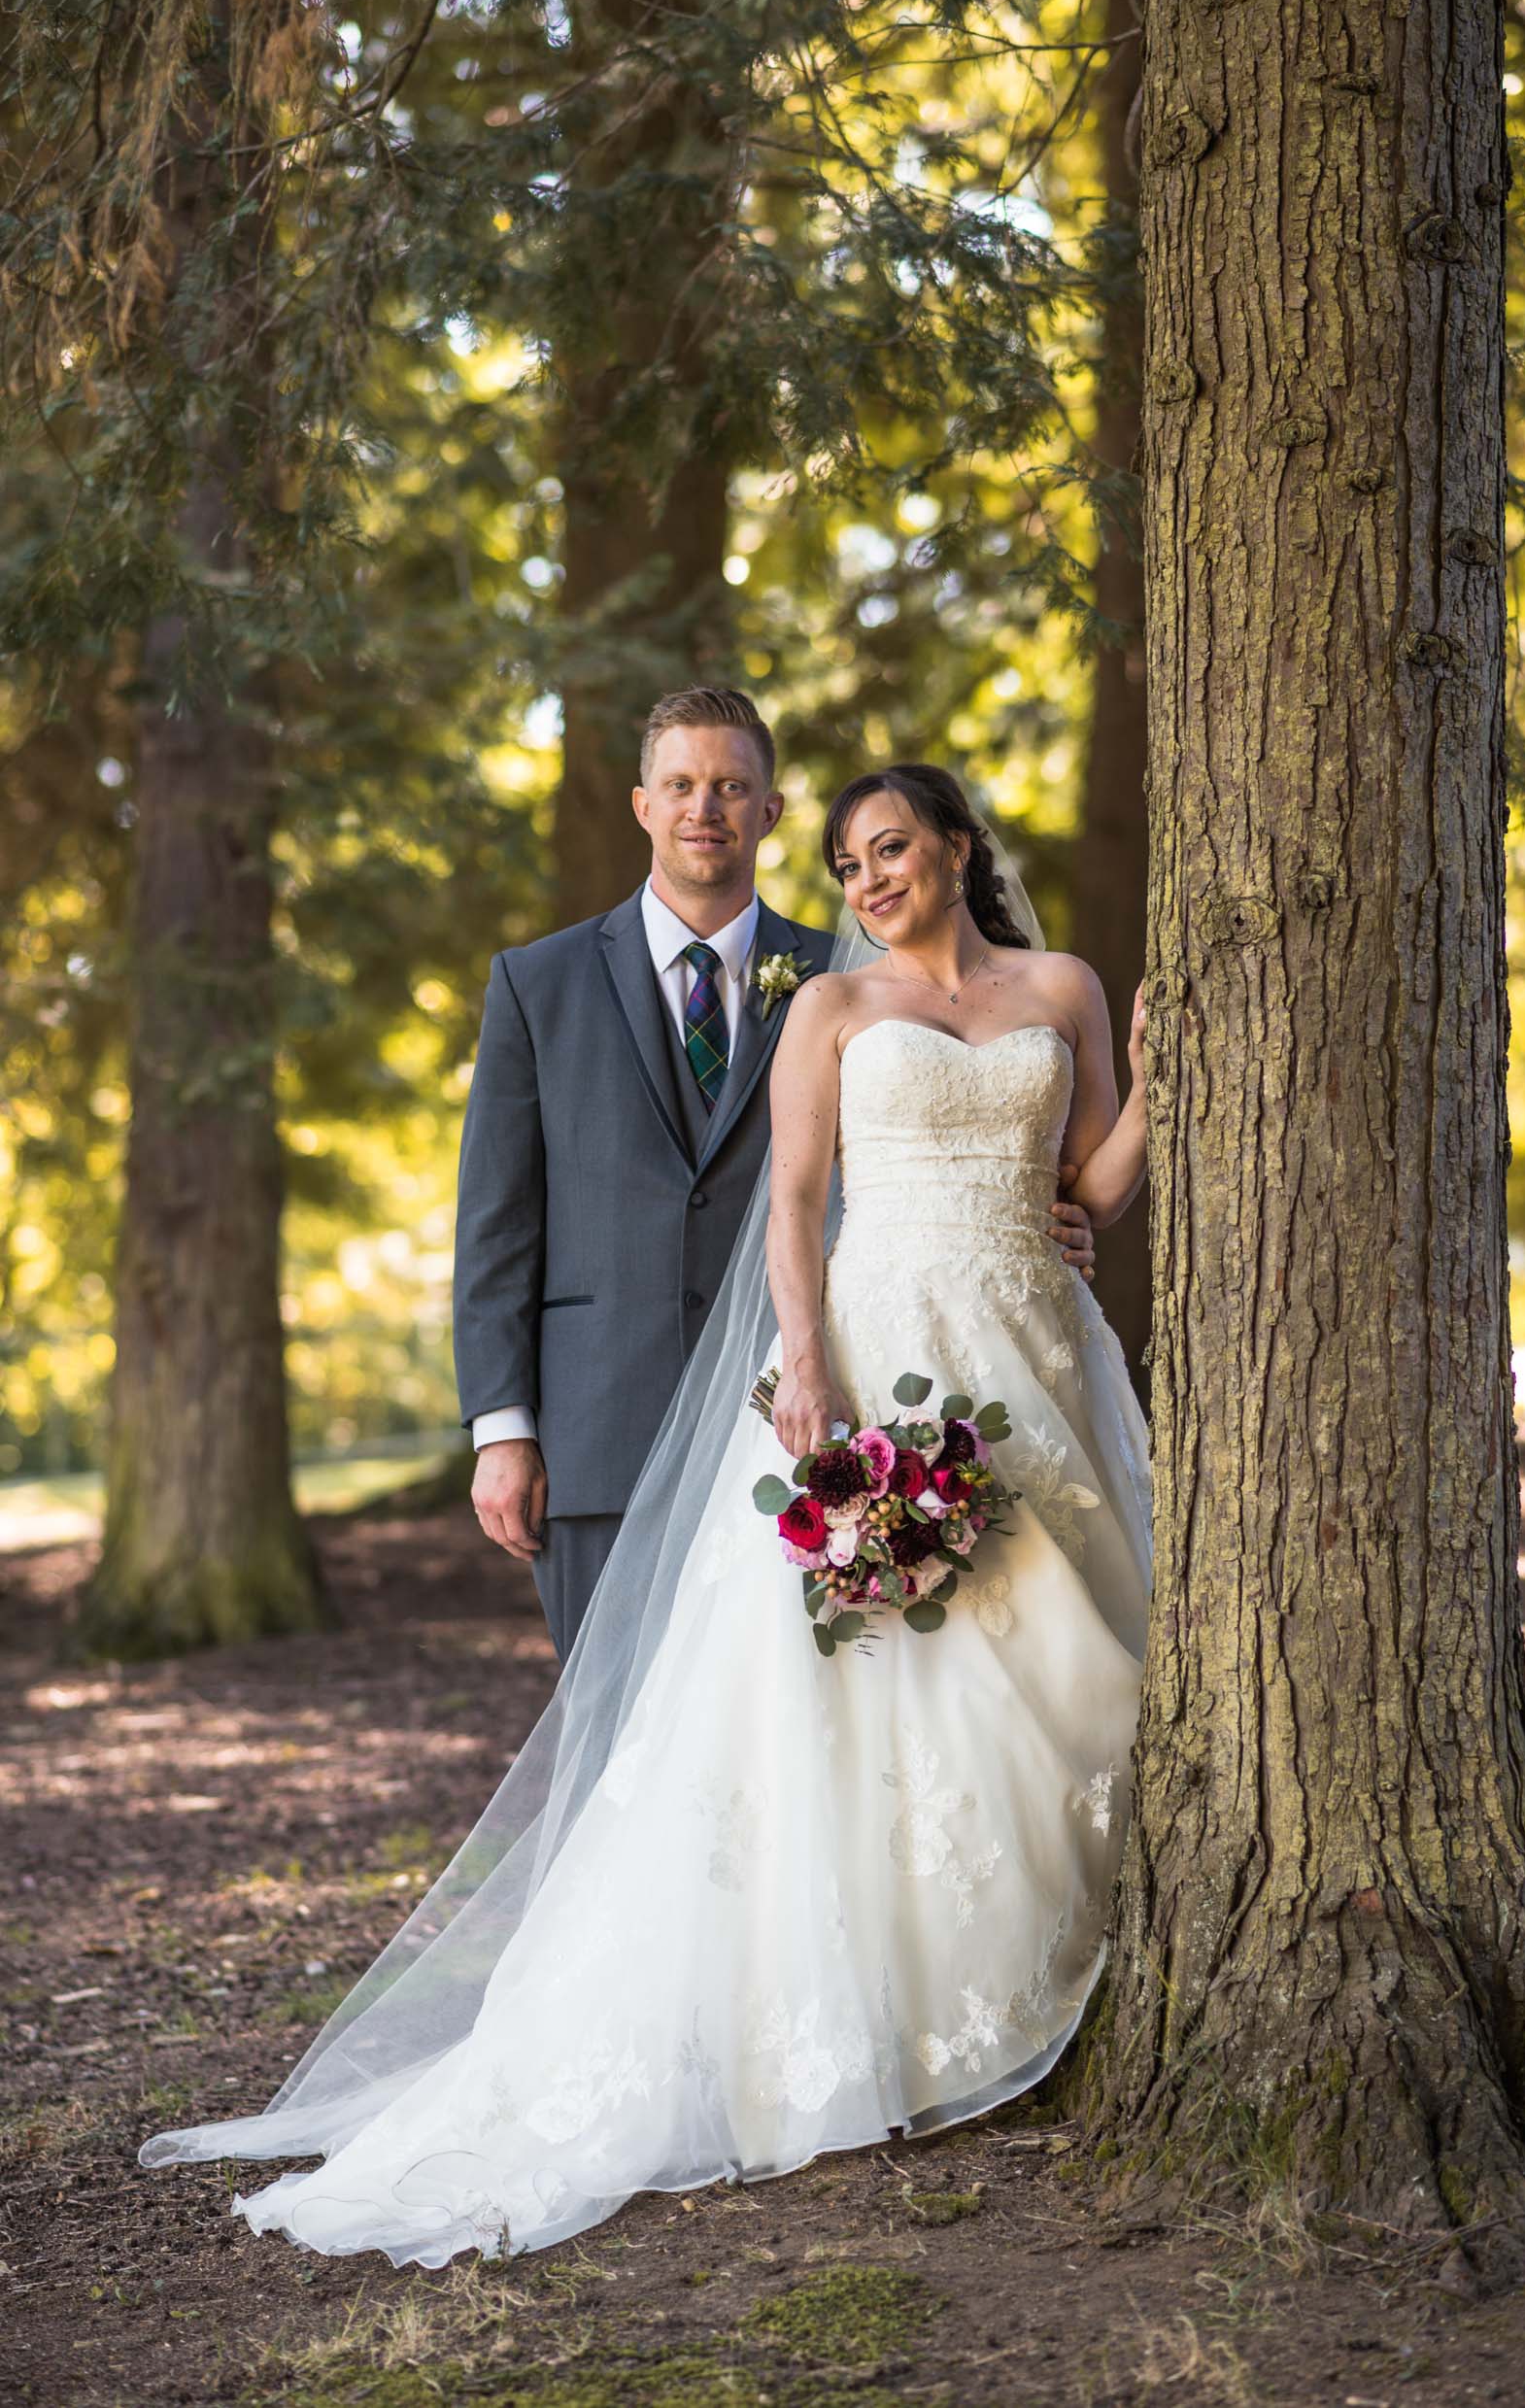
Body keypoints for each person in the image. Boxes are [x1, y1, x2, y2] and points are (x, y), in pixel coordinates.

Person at [140, 763, 1151, 2268]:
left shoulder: (1064, 985)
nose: (868, 879)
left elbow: (1093, 1184)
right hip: (885, 1350)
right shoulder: (832, 1006)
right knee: (877, 1676)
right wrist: (806, 1367)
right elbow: (795, 1202)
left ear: (955, 848)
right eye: (846, 860)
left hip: (1038, 1351)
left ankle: (1044, 1983)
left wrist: (1168, 1073)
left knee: (1059, 1647)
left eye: (891, 850)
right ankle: (888, 2012)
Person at [453, 689, 1100, 1660]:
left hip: (810, 1426)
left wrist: (1055, 1213)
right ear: (641, 805)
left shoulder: (853, 977)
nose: (702, 808)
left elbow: (957, 1137)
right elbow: (497, 1221)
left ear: (771, 810)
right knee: (609, 1745)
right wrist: (501, 1429)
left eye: (730, 786)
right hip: (595, 1433)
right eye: (680, 785)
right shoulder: (536, 984)